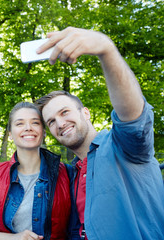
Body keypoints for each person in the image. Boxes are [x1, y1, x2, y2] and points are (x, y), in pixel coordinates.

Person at [35, 27, 164, 239]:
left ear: (85, 112)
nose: (60, 123)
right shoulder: (71, 175)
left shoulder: (123, 146)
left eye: (65, 112)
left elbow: (133, 116)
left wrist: (107, 50)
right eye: (51, 121)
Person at [0, 102, 80, 240]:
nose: (28, 128)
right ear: (10, 134)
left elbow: (76, 231)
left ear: (44, 131)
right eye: (20, 124)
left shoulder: (68, 174)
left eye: (35, 123)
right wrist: (15, 238)